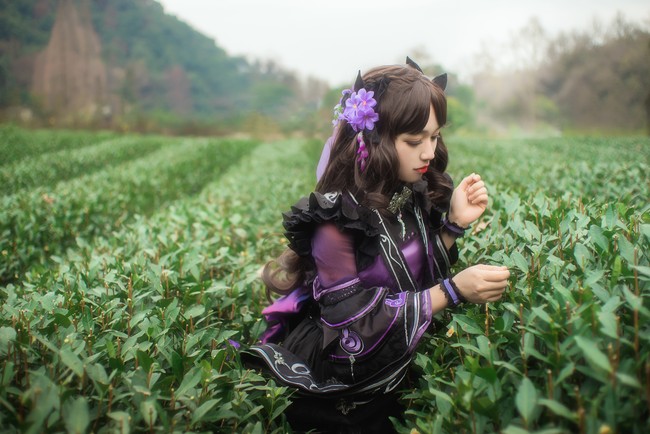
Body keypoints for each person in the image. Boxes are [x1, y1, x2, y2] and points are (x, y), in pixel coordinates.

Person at [243, 57, 510, 433]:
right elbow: (355, 328)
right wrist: (452, 291)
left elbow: (413, 272)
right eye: (414, 141)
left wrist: (453, 225)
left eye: (434, 137)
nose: (429, 153)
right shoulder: (334, 225)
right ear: (374, 138)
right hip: (351, 386)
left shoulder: (409, 189)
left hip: (407, 364)